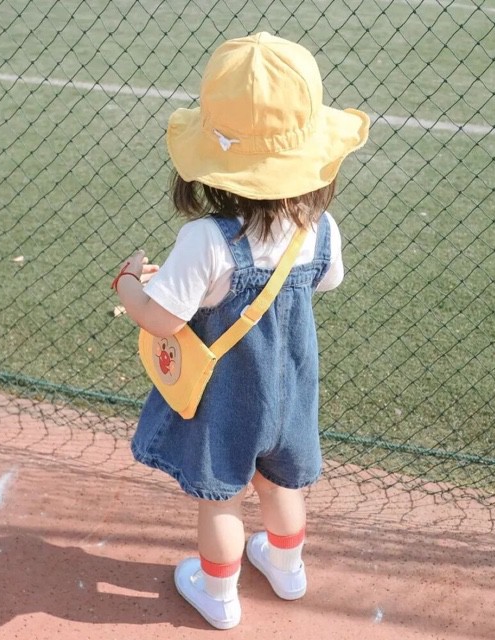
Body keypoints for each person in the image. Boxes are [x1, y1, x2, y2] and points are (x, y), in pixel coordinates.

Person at [112, 32, 369, 629]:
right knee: (279, 483)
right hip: (292, 388)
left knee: (222, 496)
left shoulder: (205, 239)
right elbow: (326, 281)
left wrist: (128, 284)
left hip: (226, 396)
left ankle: (219, 594)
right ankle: (287, 568)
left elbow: (162, 317)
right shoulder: (320, 228)